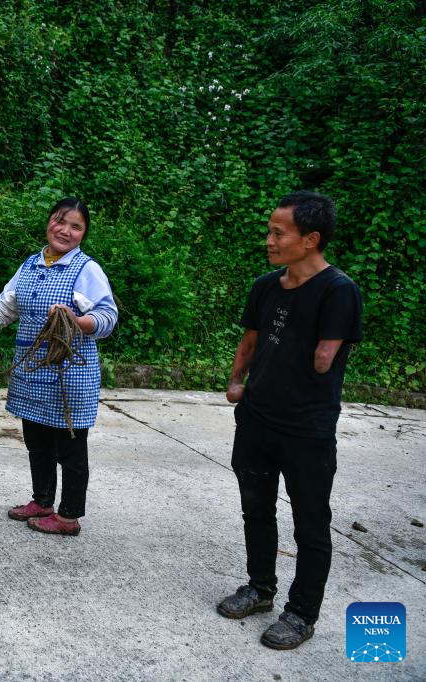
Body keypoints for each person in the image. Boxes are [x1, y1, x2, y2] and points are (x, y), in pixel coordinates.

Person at [217, 191, 363, 650]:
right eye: (270, 231)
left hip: (307, 430)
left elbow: (325, 360)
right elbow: (251, 340)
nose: (270, 240)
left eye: (279, 233)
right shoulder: (264, 286)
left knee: (311, 522)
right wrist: (236, 379)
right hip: (257, 419)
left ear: (311, 239)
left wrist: (302, 353)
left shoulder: (340, 291)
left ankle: (301, 614)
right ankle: (260, 589)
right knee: (256, 507)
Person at [0, 197, 118, 537]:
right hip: (31, 373)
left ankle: (68, 516)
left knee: (70, 448)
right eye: (60, 221)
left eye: (76, 226)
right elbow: (4, 308)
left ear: (84, 233)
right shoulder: (31, 265)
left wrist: (76, 320)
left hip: (68, 375)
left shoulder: (87, 270)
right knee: (37, 441)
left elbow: (108, 317)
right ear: (48, 222)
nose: (65, 231)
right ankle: (42, 501)